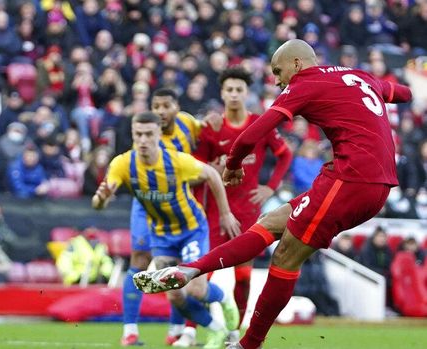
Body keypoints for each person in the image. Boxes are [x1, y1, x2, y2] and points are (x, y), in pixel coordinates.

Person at [132, 39, 412, 349]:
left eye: (278, 72)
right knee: (272, 222)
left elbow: (252, 133)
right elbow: (404, 93)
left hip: (352, 179)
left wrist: (233, 164)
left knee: (286, 256)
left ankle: (248, 344)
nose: (277, 81)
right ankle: (191, 270)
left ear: (296, 64)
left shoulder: (306, 82)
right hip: (369, 182)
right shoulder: (360, 75)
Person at [93, 112, 240, 349]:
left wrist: (225, 213)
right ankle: (217, 330)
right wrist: (100, 200)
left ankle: (223, 297)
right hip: (162, 235)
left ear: (159, 135)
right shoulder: (122, 163)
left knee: (195, 288)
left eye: (148, 134)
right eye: (138, 134)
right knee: (174, 294)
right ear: (133, 135)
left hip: (192, 230)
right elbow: (99, 202)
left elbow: (212, 174)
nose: (143, 140)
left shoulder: (176, 161)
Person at [190, 67, 292, 344]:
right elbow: (195, 169)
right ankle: (189, 330)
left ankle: (234, 332)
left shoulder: (259, 124)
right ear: (222, 93)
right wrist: (212, 167)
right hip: (214, 210)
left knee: (244, 276)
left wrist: (270, 187)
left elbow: (285, 155)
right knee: (202, 270)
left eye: (239, 90)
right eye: (229, 90)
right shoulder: (212, 128)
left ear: (246, 94)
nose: (234, 94)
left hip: (248, 211)